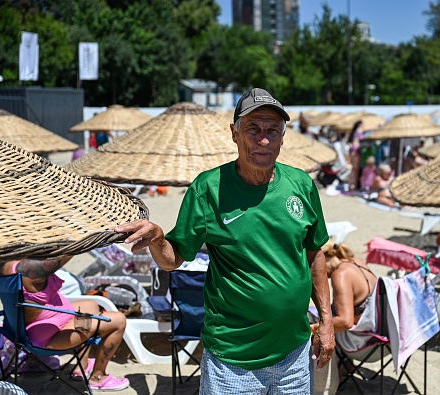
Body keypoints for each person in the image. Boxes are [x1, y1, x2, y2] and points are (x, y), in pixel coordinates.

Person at [114, 87, 335, 394]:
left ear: (283, 137)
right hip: (232, 361)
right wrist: (158, 238)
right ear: (234, 133)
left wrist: (326, 321)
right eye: (253, 129)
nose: (264, 140)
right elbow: (172, 260)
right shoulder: (208, 189)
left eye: (273, 130)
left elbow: (314, 254)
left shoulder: (301, 185)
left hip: (294, 355)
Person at [0, 257, 129, 391]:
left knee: (91, 305)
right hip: (49, 339)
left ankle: (81, 366)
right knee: (118, 320)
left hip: (27, 329)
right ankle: (98, 377)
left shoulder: (1, 264)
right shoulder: (29, 271)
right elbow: (64, 255)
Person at [310, 241, 377, 334]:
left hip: (358, 336)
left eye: (311, 264)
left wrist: (312, 329)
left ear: (321, 257)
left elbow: (345, 322)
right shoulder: (356, 261)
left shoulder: (341, 274)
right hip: (375, 326)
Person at [348, 120, 365, 191]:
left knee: (354, 170)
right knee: (355, 170)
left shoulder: (356, 132)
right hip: (356, 153)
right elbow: (355, 143)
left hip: (355, 152)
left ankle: (352, 186)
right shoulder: (358, 132)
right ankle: (352, 186)